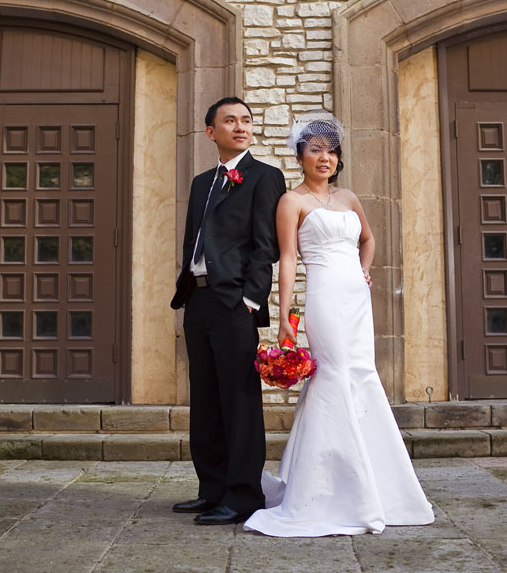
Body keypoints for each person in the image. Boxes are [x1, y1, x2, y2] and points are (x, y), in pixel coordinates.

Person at [243, 111, 435, 537]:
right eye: (315, 150)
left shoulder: (348, 198)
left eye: (331, 151)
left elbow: (368, 239)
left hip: (356, 297)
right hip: (324, 294)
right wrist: (288, 315)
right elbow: (289, 258)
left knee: (362, 374)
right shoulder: (292, 201)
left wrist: (364, 270)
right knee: (333, 375)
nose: (324, 158)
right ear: (301, 156)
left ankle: (376, 483)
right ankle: (325, 491)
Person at [170, 97, 286, 525]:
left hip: (234, 303)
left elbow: (265, 246)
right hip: (198, 301)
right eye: (230, 120)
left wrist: (251, 300)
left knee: (239, 401)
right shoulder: (202, 182)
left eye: (246, 120)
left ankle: (242, 496)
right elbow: (193, 243)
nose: (240, 126)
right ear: (210, 132)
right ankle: (212, 488)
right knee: (205, 400)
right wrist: (186, 291)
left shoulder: (264, 177)